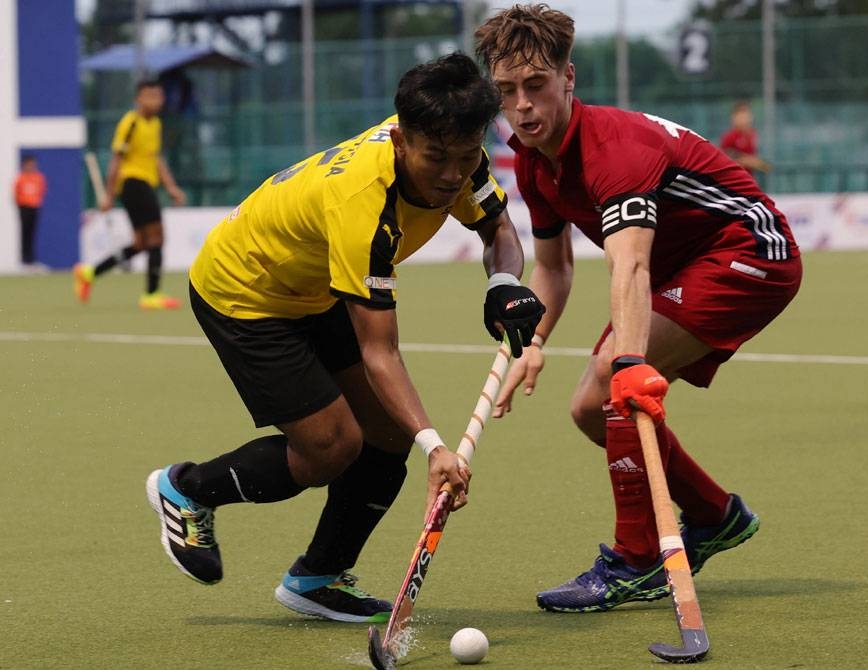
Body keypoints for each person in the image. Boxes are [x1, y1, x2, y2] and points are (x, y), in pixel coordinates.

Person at [144, 53, 544, 623]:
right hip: (245, 290)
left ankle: (317, 577)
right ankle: (188, 488)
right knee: (330, 446)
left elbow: (498, 227)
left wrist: (503, 284)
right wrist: (437, 446)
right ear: (402, 140)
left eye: (463, 157)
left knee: (385, 431)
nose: (453, 175)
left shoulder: (460, 152)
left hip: (317, 285)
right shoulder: (365, 202)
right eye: (437, 158)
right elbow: (381, 351)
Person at [474, 4, 802, 613]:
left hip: (748, 250)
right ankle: (714, 515)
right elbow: (553, 267)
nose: (521, 107)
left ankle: (638, 560)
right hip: (683, 262)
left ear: (568, 77)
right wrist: (532, 341)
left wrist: (627, 364)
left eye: (536, 86)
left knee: (611, 380)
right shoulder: (531, 159)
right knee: (588, 409)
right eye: (507, 92)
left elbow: (629, 265)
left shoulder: (614, 151)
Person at [73, 79, 187, 310]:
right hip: (133, 184)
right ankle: (151, 295)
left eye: (158, 96)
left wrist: (171, 186)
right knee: (157, 238)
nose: (155, 101)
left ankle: (89, 273)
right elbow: (117, 160)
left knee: (141, 243)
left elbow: (156, 159)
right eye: (149, 96)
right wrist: (108, 194)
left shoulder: (155, 123)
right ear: (138, 99)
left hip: (146, 184)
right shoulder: (130, 123)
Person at [719, 100, 770, 182]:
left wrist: (758, 163)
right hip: (733, 181)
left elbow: (761, 162)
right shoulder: (729, 137)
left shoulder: (753, 134)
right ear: (734, 117)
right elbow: (725, 161)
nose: (744, 118)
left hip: (750, 180)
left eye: (746, 114)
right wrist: (749, 162)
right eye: (740, 114)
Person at [13, 154, 46, 270]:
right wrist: (21, 205)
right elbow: (16, 193)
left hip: (34, 207)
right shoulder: (21, 178)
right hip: (24, 208)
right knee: (24, 233)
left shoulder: (38, 178)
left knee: (32, 233)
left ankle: (32, 260)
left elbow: (41, 191)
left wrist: (36, 202)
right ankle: (24, 261)